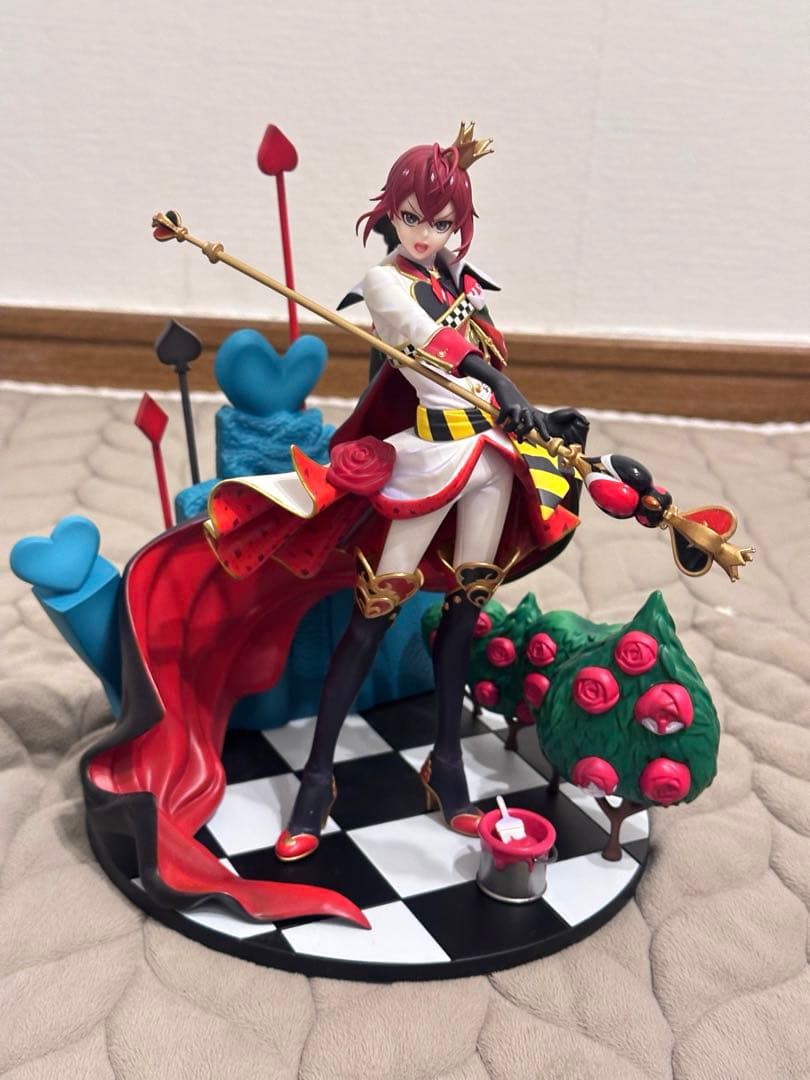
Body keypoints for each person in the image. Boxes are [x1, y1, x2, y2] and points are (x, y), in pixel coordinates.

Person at [207, 123, 587, 862]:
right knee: (372, 615)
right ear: (390, 210)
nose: (424, 233)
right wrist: (501, 383)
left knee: (465, 616)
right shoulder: (385, 282)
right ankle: (317, 780)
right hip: (429, 458)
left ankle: (447, 765)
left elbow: (489, 368)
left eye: (441, 222)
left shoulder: (460, 280)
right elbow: (435, 348)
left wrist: (533, 414)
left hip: (489, 457)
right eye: (413, 216)